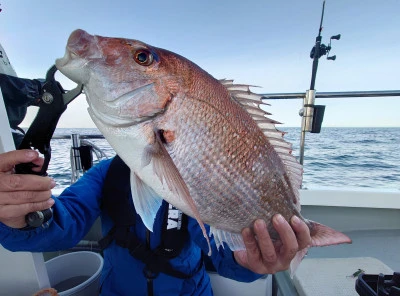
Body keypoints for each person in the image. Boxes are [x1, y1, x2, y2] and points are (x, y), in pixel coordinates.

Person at [0, 60, 311, 295]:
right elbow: (63, 226)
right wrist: (21, 218)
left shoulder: (198, 174)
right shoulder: (104, 174)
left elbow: (224, 253)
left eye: (142, 60)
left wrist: (249, 264)